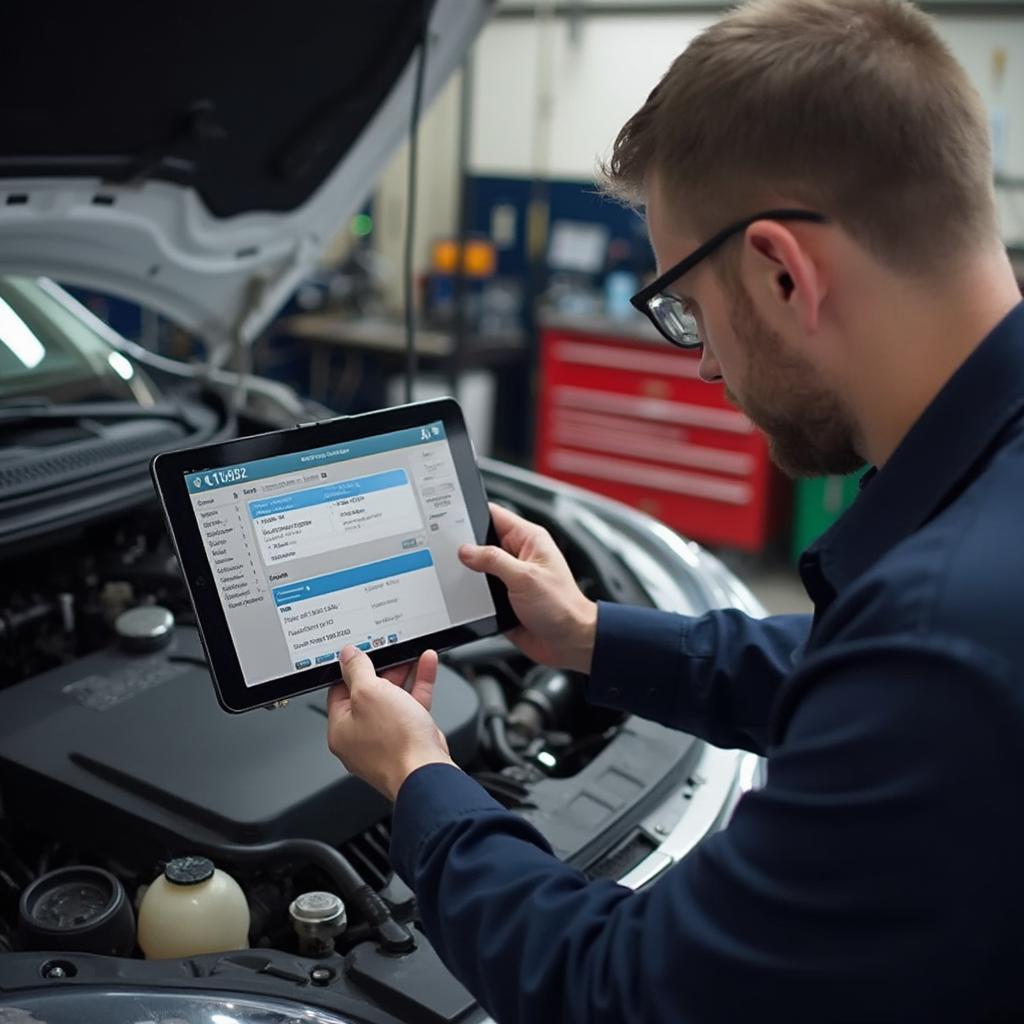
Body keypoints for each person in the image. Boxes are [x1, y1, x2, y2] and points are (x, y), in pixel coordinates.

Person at [326, 0, 1024, 1019]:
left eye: (685, 308)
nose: (698, 358)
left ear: (784, 272)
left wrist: (420, 777)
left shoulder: (944, 637)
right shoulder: (961, 583)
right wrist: (592, 637)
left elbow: (626, 992)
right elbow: (857, 677)